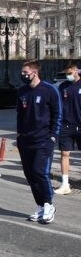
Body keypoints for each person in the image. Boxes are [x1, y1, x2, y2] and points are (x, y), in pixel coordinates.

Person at [17, 60, 62, 224]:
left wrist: (53, 136)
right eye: (22, 72)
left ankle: (49, 205)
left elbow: (58, 114)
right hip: (25, 140)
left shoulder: (50, 90)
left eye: (25, 72)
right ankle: (41, 206)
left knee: (39, 172)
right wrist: (20, 135)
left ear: (34, 73)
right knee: (30, 175)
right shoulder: (22, 91)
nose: (22, 75)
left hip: (43, 140)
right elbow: (20, 115)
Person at [56, 62, 80, 195]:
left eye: (70, 73)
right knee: (64, 153)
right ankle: (65, 184)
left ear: (76, 71)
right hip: (66, 125)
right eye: (66, 74)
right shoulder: (63, 86)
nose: (68, 76)